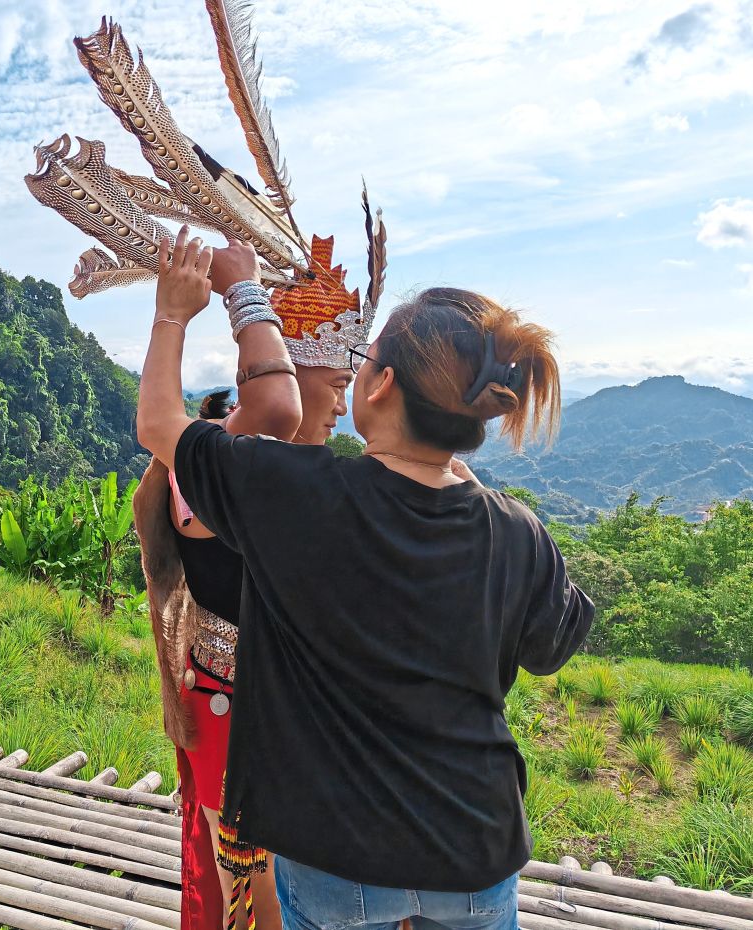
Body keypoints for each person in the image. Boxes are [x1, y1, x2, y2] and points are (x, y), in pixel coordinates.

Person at [136, 232, 594, 930]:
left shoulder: (295, 494)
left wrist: (173, 312)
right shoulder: (515, 531)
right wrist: (471, 486)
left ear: (379, 386)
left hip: (334, 854)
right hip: (476, 846)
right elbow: (550, 646)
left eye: (364, 360)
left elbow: (160, 424)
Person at [134, 234, 361, 930]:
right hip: (239, 718)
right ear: (292, 373)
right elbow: (273, 413)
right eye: (337, 386)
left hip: (288, 723)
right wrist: (236, 292)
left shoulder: (299, 482)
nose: (342, 410)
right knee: (258, 907)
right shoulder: (211, 476)